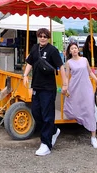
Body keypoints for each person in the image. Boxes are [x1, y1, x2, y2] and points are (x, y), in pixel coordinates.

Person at [23, 28, 64, 156]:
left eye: (45, 36)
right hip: (36, 86)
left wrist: (65, 83)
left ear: (48, 37)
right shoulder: (35, 48)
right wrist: (25, 75)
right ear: (38, 37)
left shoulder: (53, 50)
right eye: (40, 36)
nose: (42, 38)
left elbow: (61, 67)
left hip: (48, 88)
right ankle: (53, 130)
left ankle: (46, 143)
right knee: (36, 112)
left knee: (47, 115)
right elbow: (30, 62)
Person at [61, 41, 97, 148]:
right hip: (74, 87)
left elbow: (90, 72)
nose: (74, 50)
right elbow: (67, 76)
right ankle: (80, 119)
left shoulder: (84, 60)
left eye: (75, 48)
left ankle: (93, 137)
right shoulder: (69, 62)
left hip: (86, 87)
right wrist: (66, 87)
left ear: (78, 49)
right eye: (72, 49)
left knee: (90, 110)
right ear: (69, 51)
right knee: (73, 107)